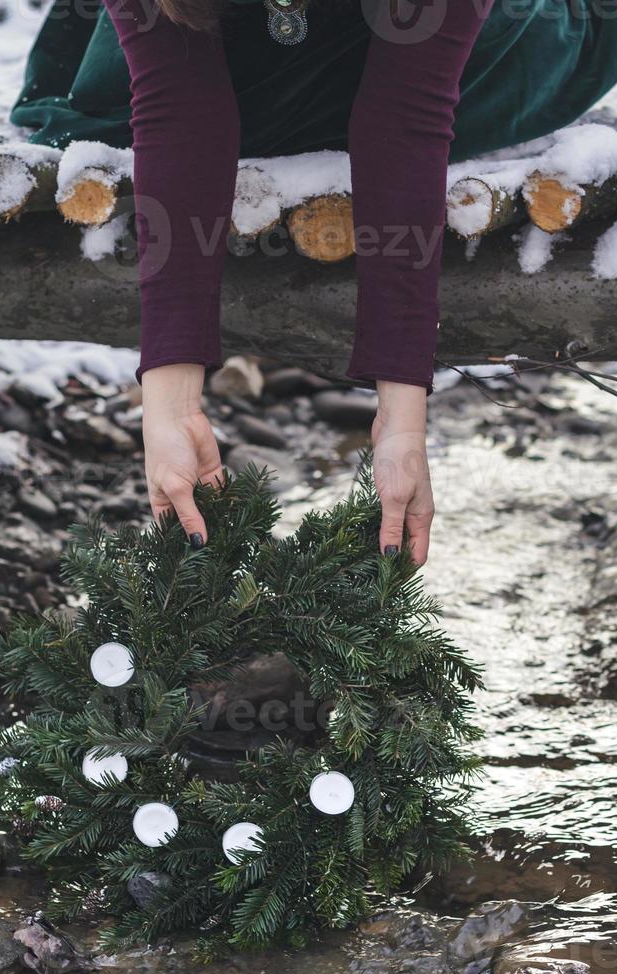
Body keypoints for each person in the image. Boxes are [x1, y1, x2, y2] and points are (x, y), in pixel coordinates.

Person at [97, 0, 492, 564]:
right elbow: (176, 106)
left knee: (491, 89)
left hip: (432, 62)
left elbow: (409, 115)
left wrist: (402, 420)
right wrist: (171, 406)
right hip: (224, 61)